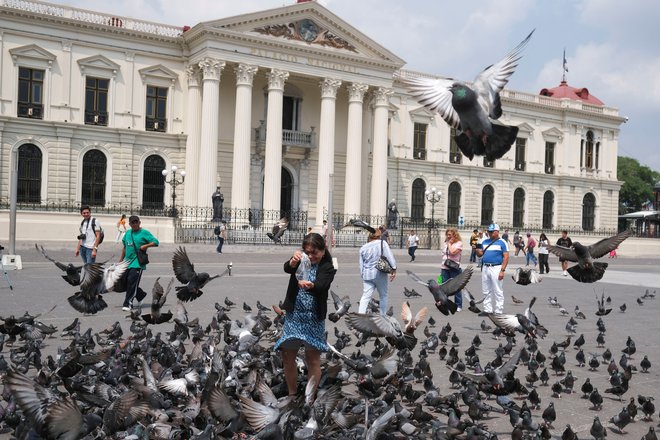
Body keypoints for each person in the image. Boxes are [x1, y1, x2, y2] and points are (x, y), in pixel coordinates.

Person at [275, 233, 336, 399]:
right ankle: (292, 394)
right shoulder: (301, 260)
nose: (310, 256)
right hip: (294, 316)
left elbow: (323, 284)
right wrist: (293, 261)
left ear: (323, 251)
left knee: (312, 358)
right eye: (307, 251)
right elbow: (287, 268)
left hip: (313, 318)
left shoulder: (328, 267)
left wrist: (311, 285)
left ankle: (310, 397)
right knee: (287, 355)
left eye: (314, 252)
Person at [121, 215, 159, 311]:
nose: (134, 224)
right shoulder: (128, 233)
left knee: (131, 281)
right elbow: (124, 247)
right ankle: (140, 295)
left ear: (139, 222)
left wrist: (145, 246)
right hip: (127, 262)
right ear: (129, 224)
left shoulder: (144, 233)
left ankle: (128, 303)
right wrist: (120, 261)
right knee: (125, 282)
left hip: (137, 263)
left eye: (136, 222)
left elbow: (156, 242)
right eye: (132, 222)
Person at [359, 229, 397, 315]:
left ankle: (360, 316)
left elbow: (361, 265)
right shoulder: (382, 243)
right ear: (379, 236)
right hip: (380, 273)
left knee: (365, 297)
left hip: (367, 275)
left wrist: (363, 275)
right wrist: (394, 268)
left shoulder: (363, 248)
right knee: (383, 295)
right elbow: (389, 256)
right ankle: (382, 316)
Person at [476, 223, 509, 315]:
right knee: (486, 289)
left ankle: (498, 310)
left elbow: (506, 257)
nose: (489, 233)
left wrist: (502, 270)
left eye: (491, 232)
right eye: (489, 232)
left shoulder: (502, 242)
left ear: (497, 232)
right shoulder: (484, 242)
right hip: (485, 267)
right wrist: (477, 251)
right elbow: (480, 254)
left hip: (496, 267)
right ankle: (487, 309)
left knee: (498, 289)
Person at [441, 227, 464, 312]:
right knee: (443, 287)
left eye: (450, 235)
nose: (448, 236)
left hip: (454, 268)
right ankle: (445, 304)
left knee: (456, 287)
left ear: (455, 235)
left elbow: (452, 252)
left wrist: (450, 244)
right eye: (447, 234)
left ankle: (458, 305)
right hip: (444, 267)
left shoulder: (459, 243)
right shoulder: (445, 243)